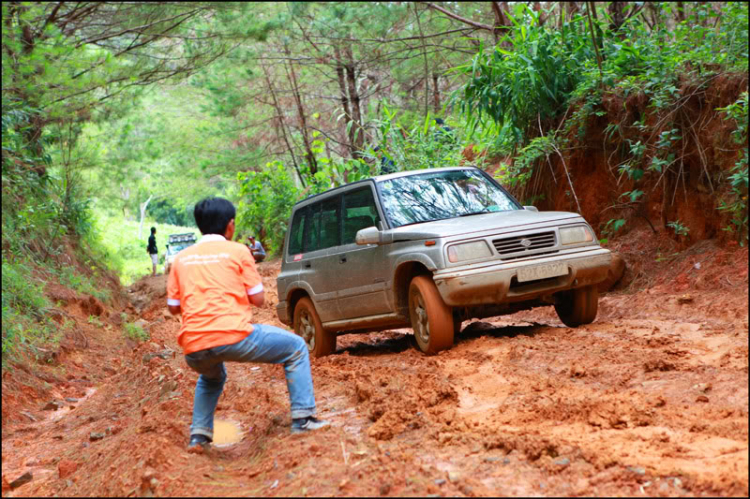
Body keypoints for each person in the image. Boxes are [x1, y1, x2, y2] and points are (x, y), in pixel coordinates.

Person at [167, 197, 329, 453]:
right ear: (230, 226)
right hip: (235, 335)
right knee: (296, 347)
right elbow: (258, 299)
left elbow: (173, 307)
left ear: (199, 226)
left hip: (194, 347)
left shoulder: (181, 259)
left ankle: (198, 436)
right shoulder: (239, 251)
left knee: (211, 378)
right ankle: (304, 418)